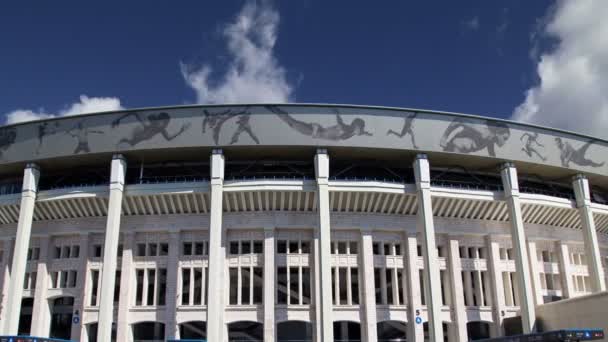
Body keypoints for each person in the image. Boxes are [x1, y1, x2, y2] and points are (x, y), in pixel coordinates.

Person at [266, 105, 372, 141]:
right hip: (316, 130)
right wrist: (337, 113)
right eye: (356, 125)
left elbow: (346, 136)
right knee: (292, 123)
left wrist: (363, 132)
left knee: (292, 123)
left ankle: (274, 110)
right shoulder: (346, 128)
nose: (356, 128)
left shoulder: (347, 134)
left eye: (358, 127)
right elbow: (341, 122)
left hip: (315, 132)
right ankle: (274, 109)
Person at [112, 111, 190, 147]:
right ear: (159, 120)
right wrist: (118, 119)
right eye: (165, 123)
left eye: (167, 124)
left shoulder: (160, 129)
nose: (166, 126)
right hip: (126, 141)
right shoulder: (148, 123)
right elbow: (135, 112)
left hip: (132, 144)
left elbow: (168, 138)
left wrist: (181, 131)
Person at [440, 118, 510, 157]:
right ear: (498, 133)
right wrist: (444, 137)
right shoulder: (482, 131)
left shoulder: (490, 141)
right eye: (504, 138)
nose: (504, 141)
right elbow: (459, 120)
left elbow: (491, 153)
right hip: (453, 149)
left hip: (461, 154)